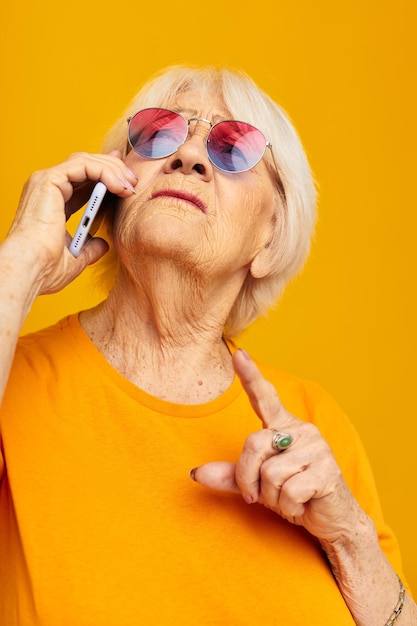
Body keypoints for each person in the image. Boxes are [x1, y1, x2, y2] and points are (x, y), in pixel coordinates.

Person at [0, 65, 415, 626]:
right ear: (109, 190)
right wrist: (16, 268)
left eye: (233, 146)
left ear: (269, 239)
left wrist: (348, 533)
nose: (189, 156)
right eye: (157, 133)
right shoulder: (13, 380)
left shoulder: (315, 424)